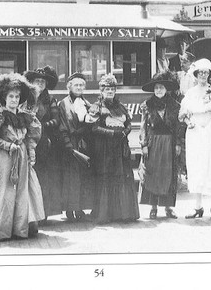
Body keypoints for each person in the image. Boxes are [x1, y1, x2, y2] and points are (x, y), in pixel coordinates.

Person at [0, 73, 44, 241]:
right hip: (4, 156)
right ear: (4, 97)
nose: (14, 100)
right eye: (11, 96)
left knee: (22, 191)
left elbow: (32, 136)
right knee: (3, 191)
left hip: (21, 155)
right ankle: (0, 230)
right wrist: (7, 145)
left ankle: (19, 228)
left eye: (17, 97)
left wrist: (30, 151)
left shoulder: (26, 116)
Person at [179, 58, 211, 220]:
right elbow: (182, 114)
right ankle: (197, 206)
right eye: (200, 73)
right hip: (195, 132)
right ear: (195, 74)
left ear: (209, 74)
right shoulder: (191, 93)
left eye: (205, 73)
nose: (203, 75)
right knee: (197, 165)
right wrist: (189, 122)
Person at [87, 74, 140, 223]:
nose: (110, 92)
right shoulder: (96, 107)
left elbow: (128, 123)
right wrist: (112, 134)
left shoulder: (121, 106)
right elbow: (94, 128)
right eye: (107, 89)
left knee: (122, 177)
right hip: (104, 148)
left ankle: (123, 213)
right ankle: (105, 214)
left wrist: (125, 131)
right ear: (101, 91)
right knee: (106, 177)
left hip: (120, 147)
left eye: (112, 89)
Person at [139, 71, 184, 219]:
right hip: (153, 142)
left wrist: (178, 143)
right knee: (152, 174)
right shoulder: (147, 105)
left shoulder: (175, 105)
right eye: (156, 87)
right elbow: (143, 126)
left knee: (169, 175)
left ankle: (168, 208)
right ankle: (153, 207)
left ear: (167, 89)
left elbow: (178, 126)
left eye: (162, 87)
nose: (159, 90)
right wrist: (144, 144)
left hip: (169, 143)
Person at [24, 66, 64, 220]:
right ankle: (31, 213)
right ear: (32, 82)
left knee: (45, 177)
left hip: (45, 143)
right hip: (28, 141)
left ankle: (44, 213)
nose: (40, 84)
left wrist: (41, 125)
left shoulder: (50, 100)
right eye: (37, 81)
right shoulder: (27, 99)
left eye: (42, 81)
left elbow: (56, 120)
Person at [56, 72, 96, 222]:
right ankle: (69, 209)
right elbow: (61, 126)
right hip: (70, 144)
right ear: (69, 87)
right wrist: (68, 145)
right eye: (76, 85)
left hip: (83, 144)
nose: (79, 87)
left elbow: (90, 125)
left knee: (82, 177)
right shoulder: (63, 104)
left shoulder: (87, 104)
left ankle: (79, 208)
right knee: (70, 178)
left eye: (81, 85)